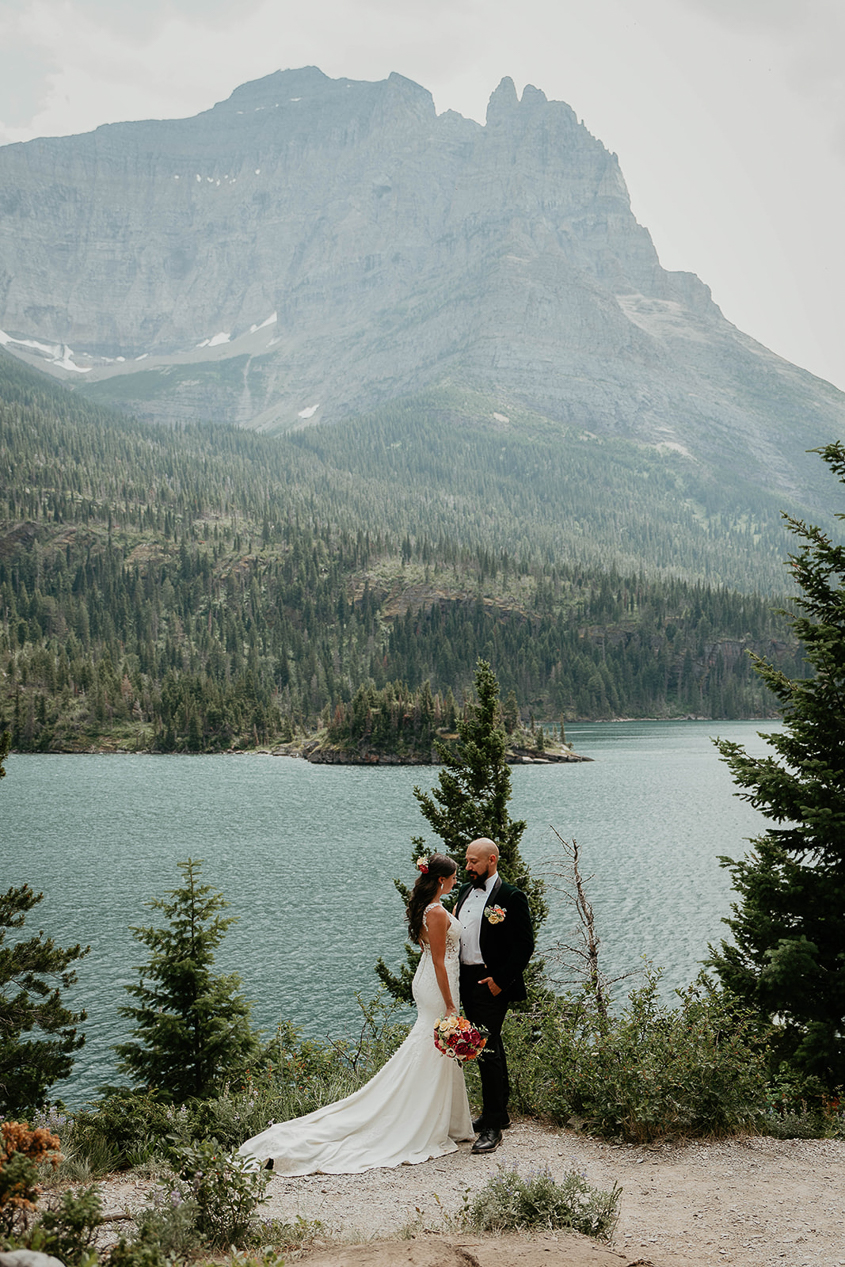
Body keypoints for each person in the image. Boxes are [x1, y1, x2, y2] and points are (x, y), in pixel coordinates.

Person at [238, 853, 473, 1175]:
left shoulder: (435, 909)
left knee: (435, 1049)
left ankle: (447, 1119)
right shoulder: (435, 912)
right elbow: (436, 959)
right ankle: (420, 1118)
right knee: (433, 1047)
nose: (457, 881)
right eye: (454, 876)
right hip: (437, 984)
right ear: (442, 880)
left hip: (436, 980)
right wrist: (449, 1004)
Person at [454, 837, 534, 1155]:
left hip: (490, 981)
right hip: (466, 980)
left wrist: (501, 980)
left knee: (484, 1047)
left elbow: (524, 945)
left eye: (474, 861)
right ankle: (497, 1113)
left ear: (492, 860)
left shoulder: (511, 897)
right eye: (467, 860)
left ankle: (492, 1128)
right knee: (490, 1043)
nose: (468, 866)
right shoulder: (464, 891)